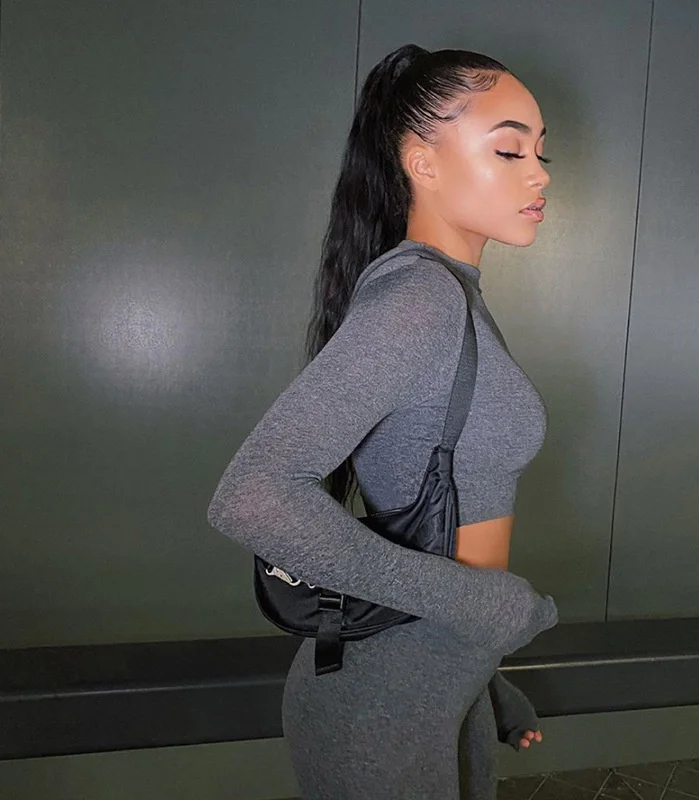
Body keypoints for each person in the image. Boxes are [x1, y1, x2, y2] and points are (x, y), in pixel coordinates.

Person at [206, 43, 557, 800]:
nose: (539, 173)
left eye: (541, 151)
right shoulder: (420, 300)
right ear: (421, 163)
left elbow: (447, 528)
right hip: (380, 702)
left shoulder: (454, 295)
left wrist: (486, 679)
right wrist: (486, 609)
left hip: (442, 679)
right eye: (509, 150)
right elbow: (251, 496)